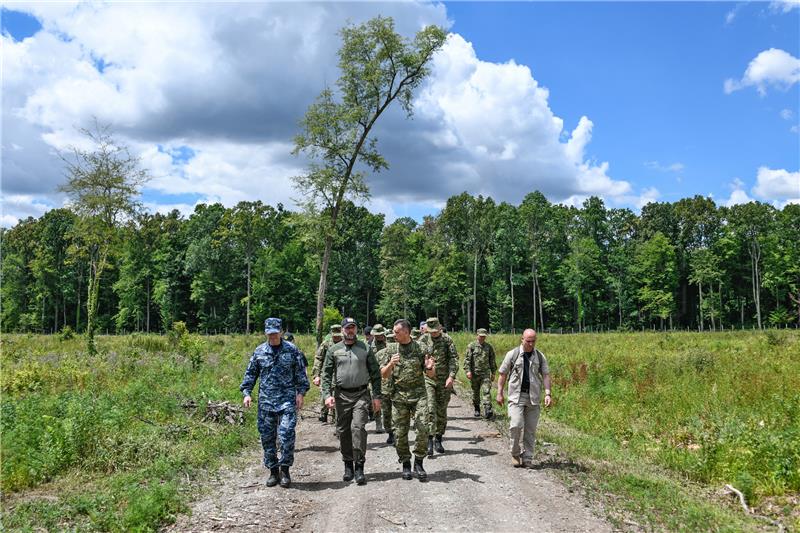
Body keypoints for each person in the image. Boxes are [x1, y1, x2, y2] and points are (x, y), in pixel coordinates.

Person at [240, 318, 310, 488]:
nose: (272, 336)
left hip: (286, 400)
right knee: (267, 439)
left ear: (281, 332)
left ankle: (285, 470)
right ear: (266, 333)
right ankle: (273, 471)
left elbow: (301, 374)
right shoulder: (259, 351)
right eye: (269, 333)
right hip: (266, 402)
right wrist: (247, 393)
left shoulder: (292, 350)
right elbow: (251, 374)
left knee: (286, 435)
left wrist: (301, 393)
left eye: (275, 332)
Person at [321, 317, 382, 485]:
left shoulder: (365, 348)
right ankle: (348, 464)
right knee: (343, 430)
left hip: (361, 394)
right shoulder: (334, 349)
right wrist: (327, 395)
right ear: (342, 330)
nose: (350, 331)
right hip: (341, 396)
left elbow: (376, 374)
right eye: (347, 328)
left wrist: (377, 396)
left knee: (358, 427)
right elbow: (326, 374)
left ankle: (359, 465)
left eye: (353, 328)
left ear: (356, 330)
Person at [380, 319, 435, 481]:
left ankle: (418, 462)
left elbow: (431, 374)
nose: (393, 334)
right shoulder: (391, 349)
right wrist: (391, 364)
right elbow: (383, 374)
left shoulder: (421, 348)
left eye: (396, 332)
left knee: (423, 427)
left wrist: (430, 367)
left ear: (406, 332)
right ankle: (405, 462)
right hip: (399, 396)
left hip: (419, 395)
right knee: (400, 432)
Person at [496, 329, 552, 468]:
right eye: (528, 341)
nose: (531, 344)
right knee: (515, 425)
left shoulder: (539, 356)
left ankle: (527, 457)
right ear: (522, 339)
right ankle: (515, 453)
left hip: (533, 397)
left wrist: (547, 393)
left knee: (530, 430)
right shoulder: (513, 354)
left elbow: (545, 375)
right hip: (516, 397)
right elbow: (502, 374)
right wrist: (499, 393)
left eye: (533, 341)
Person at [417, 317, 458, 457]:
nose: (434, 334)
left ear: (440, 329)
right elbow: (417, 359)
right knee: (430, 408)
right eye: (431, 331)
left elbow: (453, 358)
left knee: (441, 411)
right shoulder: (422, 340)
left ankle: (438, 438)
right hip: (427, 380)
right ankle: (429, 439)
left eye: (436, 331)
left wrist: (451, 377)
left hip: (443, 380)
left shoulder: (447, 340)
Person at [312, 325, 343, 423]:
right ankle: (323, 414)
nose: (336, 338)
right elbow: (318, 359)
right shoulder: (326, 344)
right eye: (335, 336)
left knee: (337, 396)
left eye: (338, 336)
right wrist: (316, 375)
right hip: (327, 373)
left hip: (340, 374)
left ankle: (336, 419)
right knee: (324, 394)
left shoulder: (345, 344)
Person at [464, 328, 497, 419]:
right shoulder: (472, 346)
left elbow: (492, 360)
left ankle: (487, 410)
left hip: (485, 373)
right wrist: (468, 371)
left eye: (484, 336)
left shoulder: (489, 347)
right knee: (475, 392)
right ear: (477, 335)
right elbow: (467, 360)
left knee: (486, 391)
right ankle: (477, 408)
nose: (482, 338)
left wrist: (493, 372)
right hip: (474, 373)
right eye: (480, 336)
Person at [370, 324, 388, 433]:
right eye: (376, 335)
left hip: (387, 375)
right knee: (375, 399)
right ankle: (378, 422)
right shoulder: (369, 346)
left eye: (380, 335)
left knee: (387, 401)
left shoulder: (389, 343)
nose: (379, 337)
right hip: (374, 376)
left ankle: (388, 422)